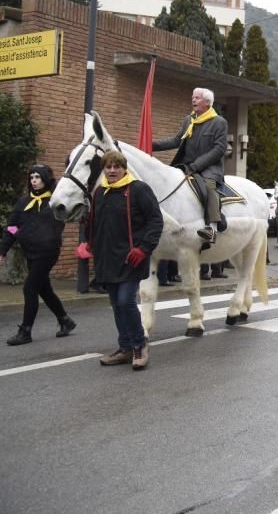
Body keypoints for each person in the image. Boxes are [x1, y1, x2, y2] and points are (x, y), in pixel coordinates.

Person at [78, 150, 163, 370]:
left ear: (124, 168)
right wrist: (89, 243)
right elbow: (95, 222)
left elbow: (155, 221)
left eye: (117, 166)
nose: (112, 171)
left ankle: (139, 344)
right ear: (104, 170)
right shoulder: (100, 193)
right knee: (116, 305)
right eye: (108, 167)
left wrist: (143, 249)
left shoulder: (138, 190)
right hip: (107, 259)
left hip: (131, 258)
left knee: (126, 301)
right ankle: (125, 348)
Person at [0, 165, 75, 346]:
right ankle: (65, 320)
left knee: (29, 288)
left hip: (47, 252)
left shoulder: (55, 200)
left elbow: (67, 214)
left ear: (45, 179)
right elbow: (12, 227)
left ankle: (25, 331)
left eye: (38, 177)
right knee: (43, 289)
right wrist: (2, 249)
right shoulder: (23, 203)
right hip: (30, 252)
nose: (34, 181)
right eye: (31, 177)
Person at [153, 87, 227, 244]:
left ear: (207, 102)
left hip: (209, 168)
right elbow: (176, 141)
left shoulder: (219, 122)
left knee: (208, 186)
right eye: (193, 97)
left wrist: (197, 165)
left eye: (197, 98)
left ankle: (212, 227)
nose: (193, 100)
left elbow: (219, 149)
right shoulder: (189, 120)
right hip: (186, 166)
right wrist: (151, 144)